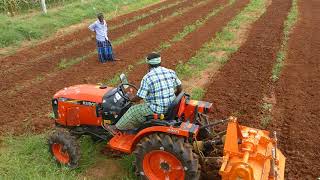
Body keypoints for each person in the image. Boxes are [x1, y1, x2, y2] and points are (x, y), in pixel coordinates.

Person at [106, 52, 182, 134]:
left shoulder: (148, 77)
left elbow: (139, 97)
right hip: (171, 107)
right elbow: (180, 88)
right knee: (145, 102)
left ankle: (116, 128)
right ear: (160, 62)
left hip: (158, 110)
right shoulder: (170, 72)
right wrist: (173, 97)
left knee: (133, 109)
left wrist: (131, 98)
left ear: (148, 64)